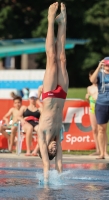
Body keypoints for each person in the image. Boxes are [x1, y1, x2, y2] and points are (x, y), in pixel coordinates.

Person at [38, 2, 68, 181]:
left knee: (51, 59)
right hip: (62, 94)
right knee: (62, 59)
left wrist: (47, 185)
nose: (54, 148)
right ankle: (62, 22)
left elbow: (47, 164)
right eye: (54, 151)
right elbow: (59, 163)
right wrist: (61, 177)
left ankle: (50, 20)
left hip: (49, 94)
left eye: (51, 150)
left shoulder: (43, 136)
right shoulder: (57, 135)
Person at [85, 70, 108, 156]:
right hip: (92, 109)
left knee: (102, 129)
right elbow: (89, 100)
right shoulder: (89, 88)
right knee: (94, 130)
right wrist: (87, 98)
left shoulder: (102, 86)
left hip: (101, 108)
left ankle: (104, 150)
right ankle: (98, 149)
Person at [18, 91, 41, 156]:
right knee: (30, 128)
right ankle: (28, 150)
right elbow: (18, 116)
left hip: (36, 123)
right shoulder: (24, 108)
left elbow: (45, 111)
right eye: (31, 98)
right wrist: (22, 119)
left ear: (36, 99)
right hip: (27, 123)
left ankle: (35, 150)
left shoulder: (39, 109)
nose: (33, 99)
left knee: (41, 130)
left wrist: (39, 103)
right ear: (29, 99)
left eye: (34, 98)